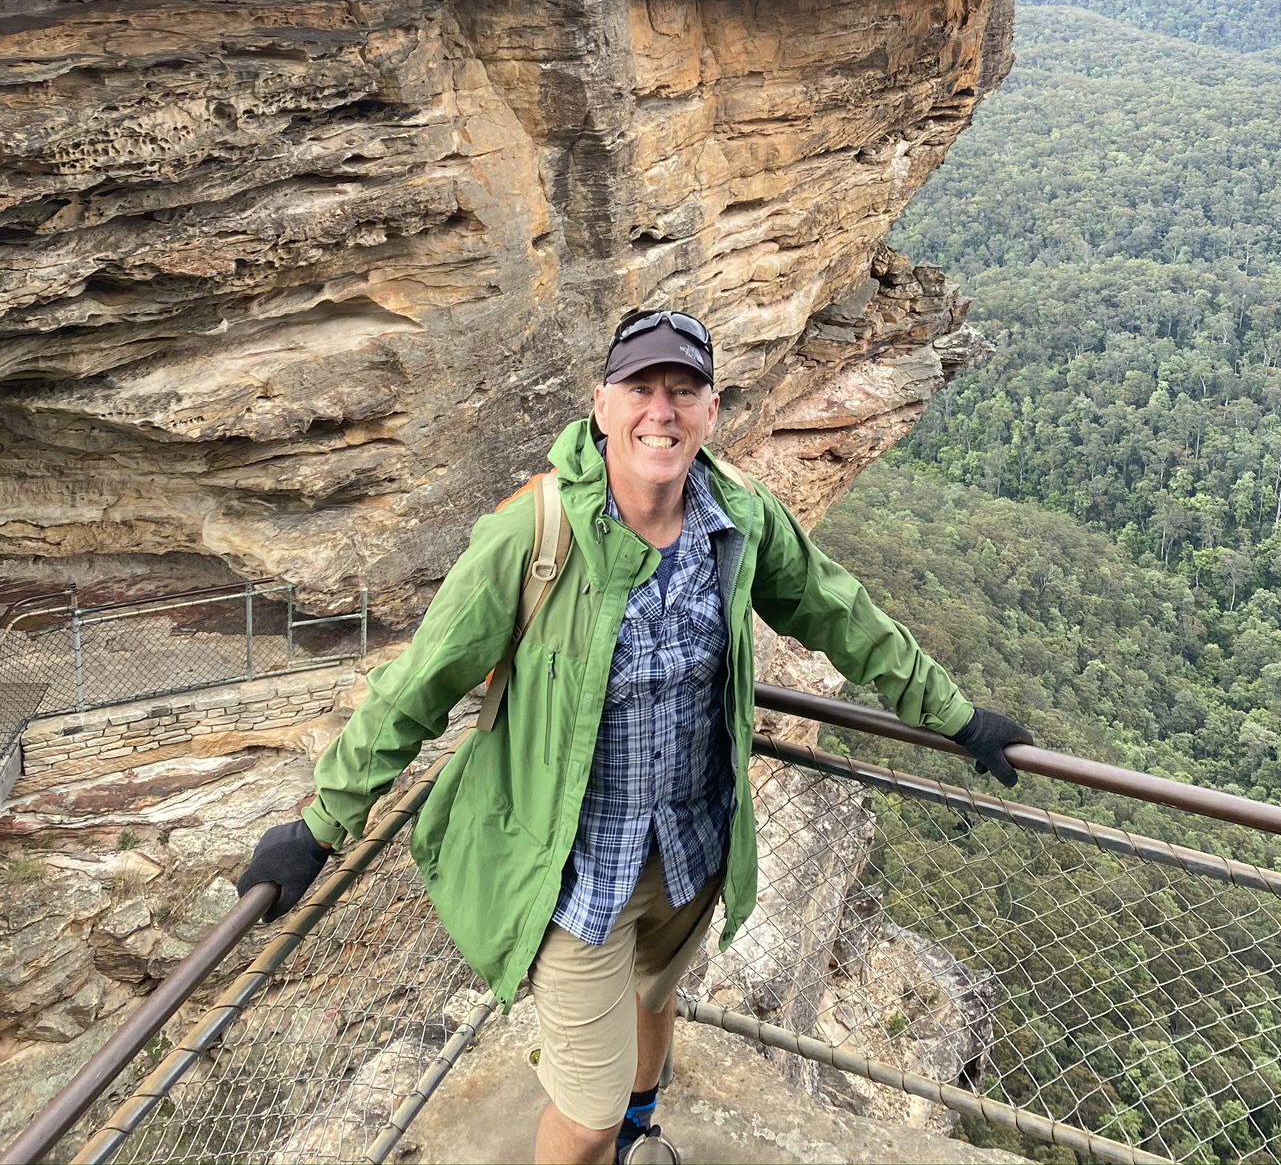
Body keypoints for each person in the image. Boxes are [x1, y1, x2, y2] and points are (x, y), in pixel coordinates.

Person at [237, 308, 1032, 1165]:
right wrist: (320, 826)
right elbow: (418, 685)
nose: (662, 411)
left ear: (711, 411)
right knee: (585, 1114)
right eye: (641, 389)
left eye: (683, 391)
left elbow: (843, 615)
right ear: (602, 405)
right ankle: (605, 1137)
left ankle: (637, 1135)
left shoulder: (739, 518)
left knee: (655, 997)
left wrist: (956, 717)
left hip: (688, 851)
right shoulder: (534, 534)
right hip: (574, 870)